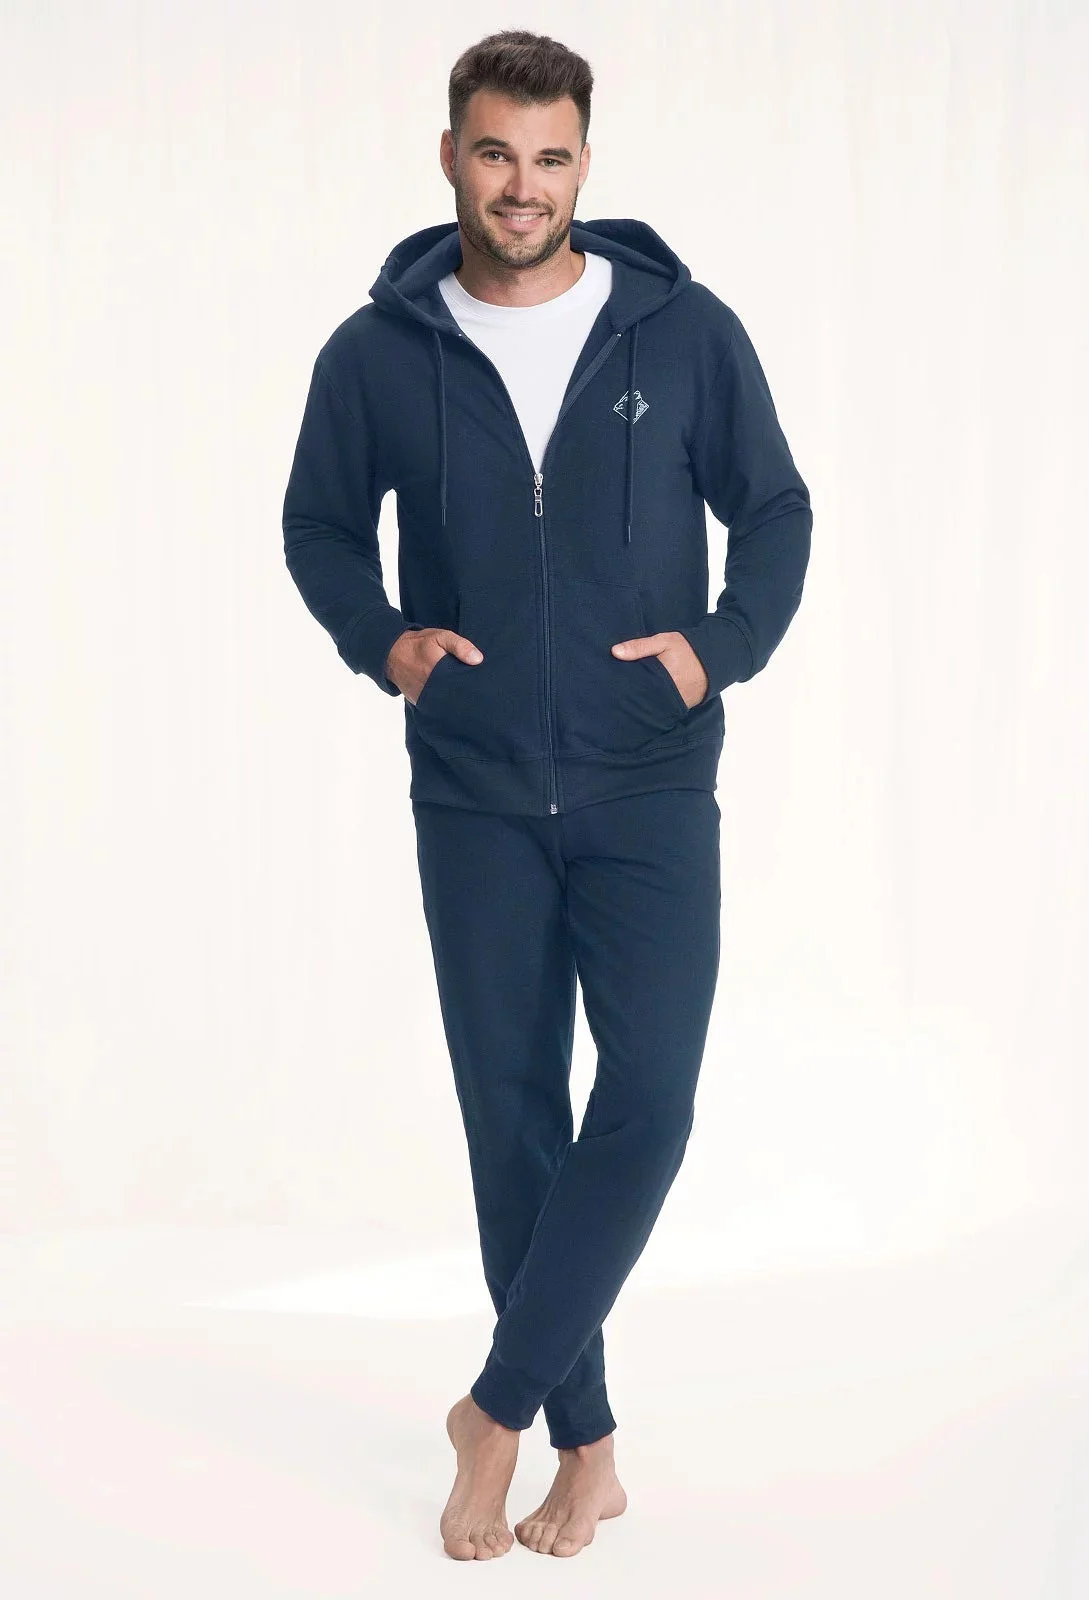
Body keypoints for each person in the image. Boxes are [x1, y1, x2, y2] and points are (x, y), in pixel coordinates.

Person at [282, 28, 812, 1562]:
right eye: (498, 153)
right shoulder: (377, 353)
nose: (524, 185)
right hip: (475, 791)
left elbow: (776, 510)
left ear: (587, 164)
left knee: (648, 1102)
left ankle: (493, 1410)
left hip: (652, 780)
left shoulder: (682, 331)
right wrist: (386, 641)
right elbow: (319, 525)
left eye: (552, 156)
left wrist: (716, 650)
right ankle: (588, 1450)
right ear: (451, 156)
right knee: (513, 1116)